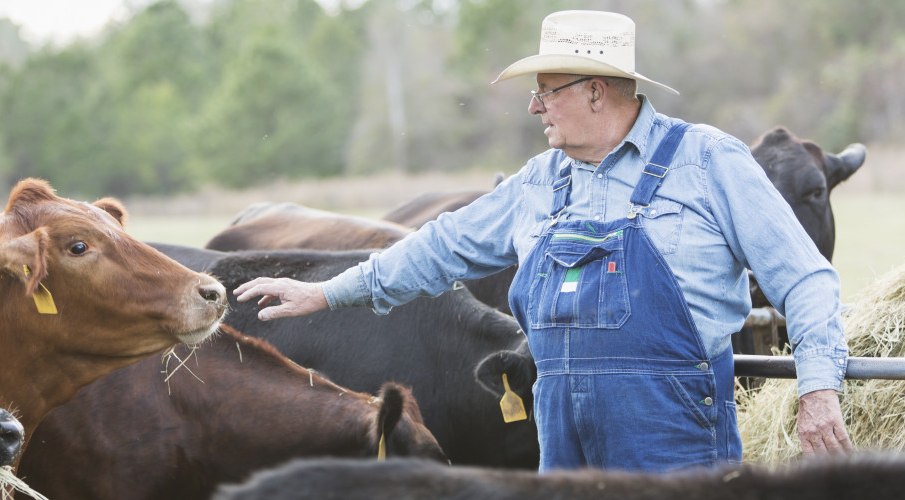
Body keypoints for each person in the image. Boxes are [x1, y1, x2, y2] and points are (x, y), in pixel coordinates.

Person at [234, 9, 851, 473]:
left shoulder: (708, 163)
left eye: (546, 89)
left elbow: (806, 277)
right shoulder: (539, 182)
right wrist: (326, 293)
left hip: (675, 439)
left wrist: (818, 388)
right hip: (560, 442)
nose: (533, 107)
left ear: (594, 91)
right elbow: (437, 248)